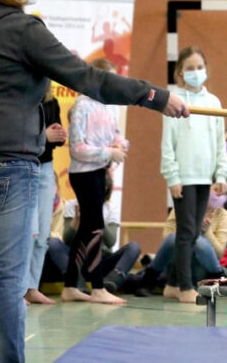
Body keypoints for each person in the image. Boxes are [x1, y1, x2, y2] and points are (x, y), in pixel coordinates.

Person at [0, 0, 188, 363]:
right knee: (9, 287)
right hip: (8, 173)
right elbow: (90, 80)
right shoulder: (21, 29)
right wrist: (155, 97)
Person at [60, 58, 133, 306]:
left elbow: (116, 135)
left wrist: (119, 146)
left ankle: (70, 285)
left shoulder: (111, 105)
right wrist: (106, 153)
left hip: (100, 171)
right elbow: (77, 147)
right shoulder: (82, 105)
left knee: (86, 229)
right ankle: (97, 286)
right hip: (83, 173)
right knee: (95, 227)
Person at [160, 46, 227, 303]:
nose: (196, 72)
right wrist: (173, 177)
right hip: (184, 178)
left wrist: (221, 175)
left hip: (204, 177)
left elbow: (219, 142)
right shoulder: (174, 100)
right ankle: (185, 286)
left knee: (192, 233)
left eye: (199, 67)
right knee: (186, 231)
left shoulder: (214, 103)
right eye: (190, 68)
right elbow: (168, 143)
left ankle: (171, 284)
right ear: (180, 72)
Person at [136, 182, 227, 296]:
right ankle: (148, 280)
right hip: (178, 261)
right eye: (216, 190)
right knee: (178, 239)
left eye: (225, 193)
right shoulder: (181, 208)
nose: (220, 196)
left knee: (198, 241)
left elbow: (219, 253)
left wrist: (207, 232)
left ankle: (220, 278)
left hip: (202, 267)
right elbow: (167, 240)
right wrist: (187, 233)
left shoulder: (223, 215)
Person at [60, 171, 141, 296]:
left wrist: (97, 215)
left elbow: (111, 241)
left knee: (134, 247)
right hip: (78, 258)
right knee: (54, 243)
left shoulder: (110, 209)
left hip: (101, 258)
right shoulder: (72, 205)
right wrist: (76, 220)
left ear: (106, 189)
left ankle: (111, 282)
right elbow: (67, 239)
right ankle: (76, 283)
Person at [24, 85, 67, 305]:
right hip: (25, 166)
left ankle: (32, 286)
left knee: (42, 235)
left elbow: (56, 139)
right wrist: (44, 135)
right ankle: (19, 289)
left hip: (46, 168)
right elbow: (18, 135)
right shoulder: (23, 99)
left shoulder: (52, 102)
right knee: (28, 233)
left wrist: (60, 136)